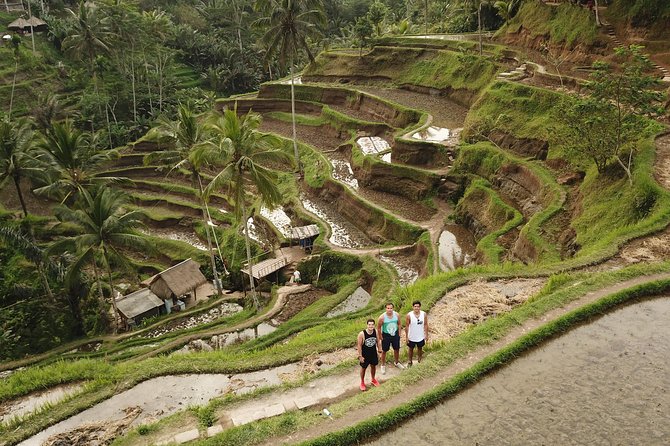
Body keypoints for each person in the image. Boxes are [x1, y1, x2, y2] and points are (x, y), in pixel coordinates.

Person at [377, 303, 405, 374]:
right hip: (386, 335)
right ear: (386, 309)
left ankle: (396, 362)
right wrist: (380, 337)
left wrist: (399, 333)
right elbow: (379, 328)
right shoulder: (382, 317)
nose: (389, 310)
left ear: (393, 308)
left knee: (396, 349)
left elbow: (399, 324)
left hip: (395, 334)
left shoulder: (397, 315)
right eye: (388, 308)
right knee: (384, 351)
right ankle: (383, 365)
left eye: (391, 308)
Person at [357, 318, 382, 391]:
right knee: (363, 368)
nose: (371, 326)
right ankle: (362, 382)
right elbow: (359, 345)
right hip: (365, 354)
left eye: (372, 325)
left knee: (373, 366)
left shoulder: (375, 332)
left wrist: (379, 351)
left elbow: (378, 341)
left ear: (374, 325)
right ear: (367, 325)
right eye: (369, 324)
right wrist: (360, 356)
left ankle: (373, 379)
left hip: (373, 353)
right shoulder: (362, 334)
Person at [405, 300, 428, 367]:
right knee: (410, 349)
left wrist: (426, 334)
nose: (416, 308)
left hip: (420, 336)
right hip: (411, 336)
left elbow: (426, 324)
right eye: (415, 306)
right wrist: (406, 337)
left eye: (418, 306)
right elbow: (406, 326)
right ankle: (410, 361)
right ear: (413, 307)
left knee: (420, 348)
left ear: (420, 307)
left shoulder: (424, 314)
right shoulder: (409, 315)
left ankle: (419, 359)